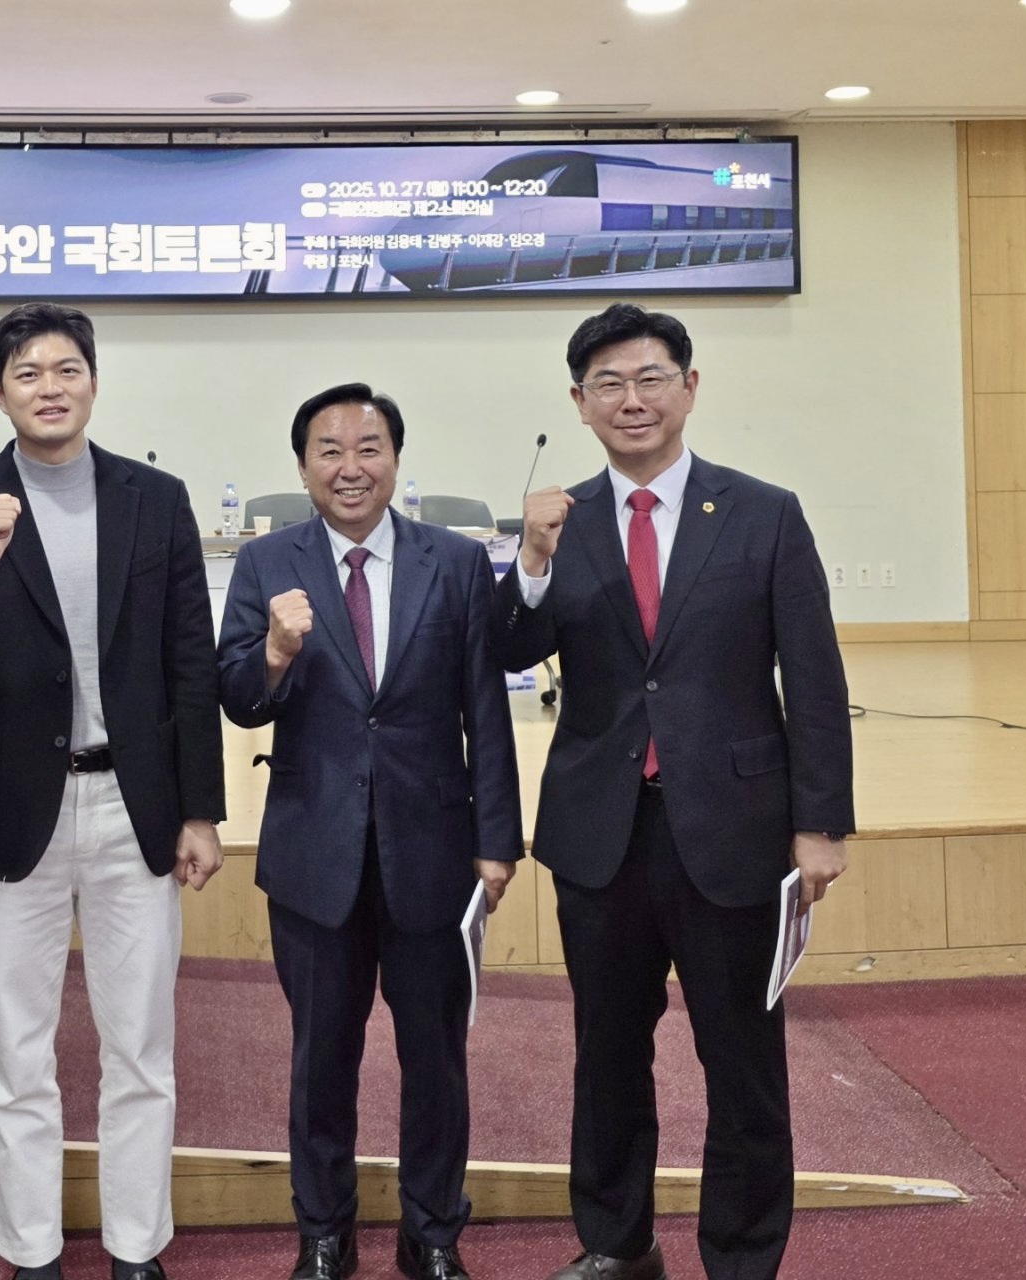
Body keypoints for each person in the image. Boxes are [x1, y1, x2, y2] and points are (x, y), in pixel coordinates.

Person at [490, 303, 854, 1280]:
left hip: (733, 830)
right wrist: (529, 562)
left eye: (650, 377)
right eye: (607, 383)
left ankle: (741, 1255)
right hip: (599, 835)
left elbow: (813, 678)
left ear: (689, 387)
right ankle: (617, 1244)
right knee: (606, 1055)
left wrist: (820, 822)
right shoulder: (559, 522)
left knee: (742, 1060)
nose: (631, 399)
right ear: (579, 403)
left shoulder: (763, 512)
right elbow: (508, 650)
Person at [0, 302, 226, 1280]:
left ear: (93, 380)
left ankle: (136, 1247)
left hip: (135, 806)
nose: (50, 386)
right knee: (17, 1050)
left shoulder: (154, 498)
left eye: (67, 368)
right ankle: (31, 1251)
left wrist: (200, 809)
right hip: (13, 809)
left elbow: (189, 660)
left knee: (142, 1047)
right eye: (28, 373)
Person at [217, 383, 524, 1280]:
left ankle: (433, 1234)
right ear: (302, 466)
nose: (350, 467)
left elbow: (485, 709)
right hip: (315, 853)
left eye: (369, 447)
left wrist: (497, 838)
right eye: (329, 450)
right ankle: (324, 1232)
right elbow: (236, 698)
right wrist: (274, 652)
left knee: (437, 1059)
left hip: (434, 850)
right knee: (321, 1060)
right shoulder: (265, 562)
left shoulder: (454, 562)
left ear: (395, 459)